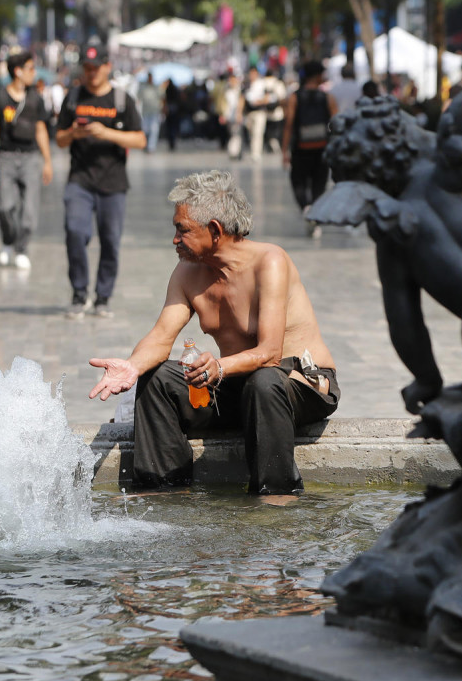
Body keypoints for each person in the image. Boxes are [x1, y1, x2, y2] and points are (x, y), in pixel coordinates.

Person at [87, 170, 340, 496]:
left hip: (300, 384)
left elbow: (270, 353)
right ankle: (163, 493)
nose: (175, 239)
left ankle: (277, 499)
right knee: (156, 378)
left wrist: (219, 367)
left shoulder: (270, 261)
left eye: (183, 230)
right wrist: (133, 366)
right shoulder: (188, 272)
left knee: (264, 381)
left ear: (215, 230)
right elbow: (162, 336)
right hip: (242, 387)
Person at [55, 39, 145, 319]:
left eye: (97, 67)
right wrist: (75, 134)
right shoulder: (73, 98)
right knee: (75, 232)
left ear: (108, 66)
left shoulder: (121, 100)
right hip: (79, 180)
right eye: (87, 67)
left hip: (113, 183)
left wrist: (107, 134)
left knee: (110, 240)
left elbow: (140, 139)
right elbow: (59, 138)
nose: (92, 72)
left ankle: (102, 297)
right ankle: (79, 293)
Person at [0, 51, 54, 270]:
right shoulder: (0, 98)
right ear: (17, 71)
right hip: (5, 158)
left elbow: (42, 130)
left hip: (31, 158)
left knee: (29, 212)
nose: (33, 73)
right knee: (4, 207)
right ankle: (8, 241)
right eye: (30, 68)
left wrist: (47, 161)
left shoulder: (36, 99)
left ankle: (22, 248)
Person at [282, 61, 338, 237]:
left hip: (301, 148)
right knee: (318, 184)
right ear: (318, 76)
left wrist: (284, 149)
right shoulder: (327, 98)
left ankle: (306, 208)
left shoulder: (294, 97)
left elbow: (289, 124)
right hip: (322, 148)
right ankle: (313, 213)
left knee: (298, 181)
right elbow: (337, 124)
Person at [216, 70, 244, 160]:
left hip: (237, 115)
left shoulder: (239, 90)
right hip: (228, 115)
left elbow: (242, 102)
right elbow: (221, 103)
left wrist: (239, 113)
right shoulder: (225, 90)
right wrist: (222, 115)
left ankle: (234, 151)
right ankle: (234, 150)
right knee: (232, 133)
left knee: (236, 133)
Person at [138, 72, 163, 153]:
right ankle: (145, 144)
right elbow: (139, 98)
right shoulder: (143, 88)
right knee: (145, 129)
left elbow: (162, 97)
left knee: (154, 129)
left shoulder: (156, 87)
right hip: (145, 111)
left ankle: (151, 147)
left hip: (155, 111)